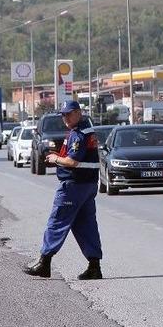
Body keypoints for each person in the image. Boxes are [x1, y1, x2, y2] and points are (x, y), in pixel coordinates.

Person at [24, 100, 103, 280]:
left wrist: (55, 159)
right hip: (88, 185)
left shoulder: (79, 134)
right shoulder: (86, 130)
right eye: (63, 114)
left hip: (74, 186)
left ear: (78, 112)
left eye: (69, 113)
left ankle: (45, 262)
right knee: (86, 225)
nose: (65, 118)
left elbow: (72, 161)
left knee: (57, 221)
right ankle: (94, 266)